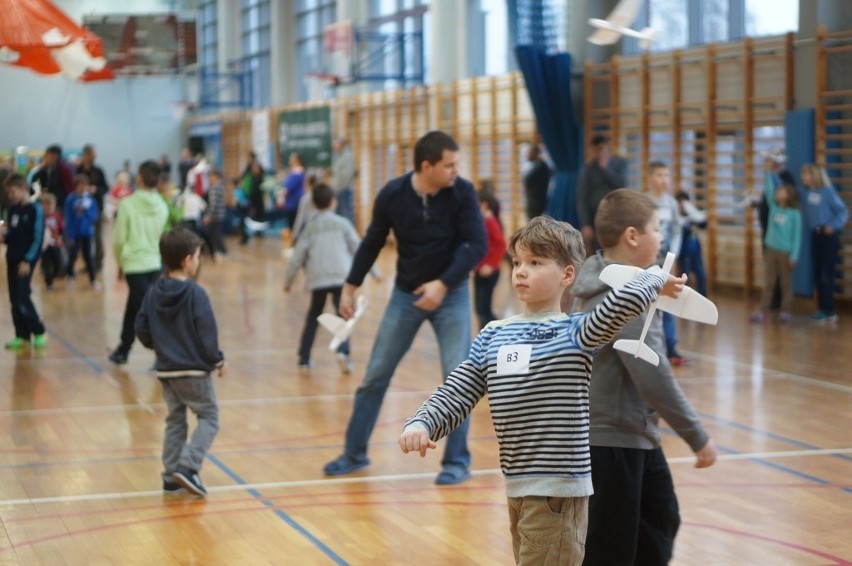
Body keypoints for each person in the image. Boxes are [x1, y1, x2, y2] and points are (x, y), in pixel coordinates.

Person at [399, 215, 687, 565]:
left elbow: (619, 305)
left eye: (535, 263)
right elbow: (459, 389)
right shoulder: (494, 334)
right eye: (517, 262)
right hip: (518, 486)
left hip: (557, 492)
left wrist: (654, 277)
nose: (521, 271)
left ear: (567, 275)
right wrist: (422, 423)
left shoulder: (576, 333)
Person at [323, 130, 487, 485]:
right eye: (449, 165)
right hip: (405, 296)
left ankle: (456, 461)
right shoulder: (392, 195)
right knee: (375, 375)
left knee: (459, 380)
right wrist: (350, 286)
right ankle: (354, 453)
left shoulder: (462, 192)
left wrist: (443, 285)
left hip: (452, 294)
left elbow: (478, 245)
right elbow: (371, 243)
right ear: (426, 166)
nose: (456, 171)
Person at [570, 189, 718, 566]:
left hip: (634, 435)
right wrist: (696, 435)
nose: (662, 237)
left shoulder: (603, 277)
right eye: (657, 228)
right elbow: (653, 376)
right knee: (612, 548)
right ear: (632, 236)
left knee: (658, 521)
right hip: (612, 441)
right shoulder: (626, 297)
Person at [135, 227, 226, 496]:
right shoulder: (195, 294)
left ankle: (171, 476)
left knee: (176, 420)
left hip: (167, 371)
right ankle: (188, 466)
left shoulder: (153, 292)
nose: (198, 262)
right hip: (194, 372)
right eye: (198, 257)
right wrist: (217, 361)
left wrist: (160, 346)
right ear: (188, 261)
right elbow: (207, 332)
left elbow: (141, 328)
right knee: (209, 417)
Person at [284, 183, 363, 374]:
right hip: (340, 278)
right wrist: (374, 273)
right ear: (333, 202)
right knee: (343, 315)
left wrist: (288, 281)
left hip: (317, 279)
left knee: (314, 315)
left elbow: (297, 256)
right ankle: (343, 351)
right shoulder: (342, 223)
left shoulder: (310, 227)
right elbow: (359, 249)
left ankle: (304, 357)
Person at [108, 160, 169, 365]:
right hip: (155, 263)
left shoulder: (127, 204)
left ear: (139, 178)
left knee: (145, 309)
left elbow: (118, 240)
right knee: (136, 307)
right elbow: (163, 236)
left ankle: (163, 353)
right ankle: (123, 349)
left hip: (134, 265)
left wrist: (120, 262)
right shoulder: (162, 205)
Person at [643, 161, 687, 366]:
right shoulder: (643, 202)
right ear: (650, 177)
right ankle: (648, 345)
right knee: (647, 303)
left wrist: (674, 255)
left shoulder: (671, 203)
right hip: (648, 261)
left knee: (668, 303)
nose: (664, 180)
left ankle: (671, 347)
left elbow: (678, 230)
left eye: (667, 175)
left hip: (667, 261)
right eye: (659, 175)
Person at [798, 163, 849, 323]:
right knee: (818, 273)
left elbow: (843, 211)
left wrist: (833, 226)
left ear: (814, 175)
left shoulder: (827, 191)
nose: (803, 177)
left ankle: (829, 310)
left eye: (805, 174)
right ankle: (822, 308)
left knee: (826, 273)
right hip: (816, 236)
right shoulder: (807, 193)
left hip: (828, 237)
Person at [2, 173, 47, 349]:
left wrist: (28, 260)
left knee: (22, 297)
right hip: (12, 258)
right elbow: (12, 234)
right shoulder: (13, 210)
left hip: (25, 261)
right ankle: (22, 335)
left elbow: (38, 237)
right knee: (14, 299)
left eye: (12, 192)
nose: (10, 196)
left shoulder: (35, 209)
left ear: (22, 189)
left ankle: (39, 330)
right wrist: (4, 236)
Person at [750, 171, 802, 324]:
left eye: (781, 191)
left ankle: (785, 310)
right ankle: (763, 310)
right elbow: (769, 185)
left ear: (789, 195)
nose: (778, 193)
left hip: (785, 252)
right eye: (777, 191)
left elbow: (797, 237)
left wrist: (794, 256)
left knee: (785, 283)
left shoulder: (795, 214)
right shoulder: (774, 207)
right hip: (770, 250)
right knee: (769, 282)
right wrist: (767, 170)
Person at [576, 134, 627, 254]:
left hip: (616, 215)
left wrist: (605, 168)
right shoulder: (588, 168)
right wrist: (585, 224)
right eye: (597, 149)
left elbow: (621, 183)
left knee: (617, 248)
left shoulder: (619, 163)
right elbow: (582, 196)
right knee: (597, 251)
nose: (600, 152)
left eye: (602, 148)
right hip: (595, 216)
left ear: (607, 147)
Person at [473, 186, 506, 329]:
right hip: (480, 271)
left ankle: (495, 334)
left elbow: (501, 244)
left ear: (484, 204)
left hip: (489, 272)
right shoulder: (482, 220)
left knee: (483, 310)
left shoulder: (489, 220)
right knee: (481, 309)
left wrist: (490, 265)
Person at [63, 174, 100, 289]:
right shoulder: (70, 199)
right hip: (74, 233)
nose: (82, 189)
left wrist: (86, 210)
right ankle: (69, 275)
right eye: (80, 186)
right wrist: (70, 234)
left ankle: (93, 280)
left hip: (87, 233)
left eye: (84, 186)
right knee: (73, 255)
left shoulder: (90, 199)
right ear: (76, 186)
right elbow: (68, 218)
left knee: (88, 256)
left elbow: (95, 215)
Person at [76, 145, 109, 273]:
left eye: (94, 155)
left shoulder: (98, 171)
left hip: (96, 209)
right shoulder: (78, 170)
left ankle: (99, 263)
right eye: (91, 154)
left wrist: (95, 189)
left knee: (98, 237)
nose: (93, 157)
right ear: (85, 154)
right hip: (80, 210)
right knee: (84, 238)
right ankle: (88, 262)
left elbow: (105, 188)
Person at [675, 190, 708, 296]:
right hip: (684, 252)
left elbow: (704, 223)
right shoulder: (677, 218)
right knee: (685, 277)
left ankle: (703, 297)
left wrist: (691, 212)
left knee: (701, 275)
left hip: (695, 251)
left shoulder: (691, 216)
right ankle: (685, 299)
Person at [39, 193, 65, 291]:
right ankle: (48, 282)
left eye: (51, 204)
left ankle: (53, 275)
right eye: (46, 205)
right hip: (45, 246)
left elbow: (62, 229)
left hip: (56, 244)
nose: (49, 207)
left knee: (58, 263)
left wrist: (59, 237)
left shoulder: (57, 216)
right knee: (46, 264)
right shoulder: (41, 217)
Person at [280, 152, 306, 245]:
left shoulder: (298, 172)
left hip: (295, 202)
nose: (290, 161)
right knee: (291, 222)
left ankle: (295, 243)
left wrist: (282, 192)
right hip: (291, 202)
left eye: (292, 159)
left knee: (294, 223)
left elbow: (289, 186)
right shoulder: (293, 172)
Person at [522, 143, 552, 219]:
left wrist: (531, 189)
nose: (527, 155)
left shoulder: (540, 165)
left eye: (529, 152)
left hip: (536, 201)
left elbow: (527, 179)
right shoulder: (539, 165)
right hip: (538, 200)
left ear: (535, 153)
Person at [331, 137, 356, 223]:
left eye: (336, 144)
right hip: (337, 190)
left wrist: (339, 187)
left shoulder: (346, 157)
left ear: (341, 145)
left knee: (346, 215)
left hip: (344, 190)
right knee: (338, 216)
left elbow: (347, 176)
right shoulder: (337, 156)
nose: (334, 146)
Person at [203, 169, 228, 256]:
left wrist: (209, 216)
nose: (210, 179)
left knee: (215, 234)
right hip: (219, 214)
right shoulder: (220, 186)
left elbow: (213, 204)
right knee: (215, 233)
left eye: (211, 176)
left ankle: (221, 251)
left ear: (216, 177)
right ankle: (218, 250)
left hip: (215, 215)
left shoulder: (214, 188)